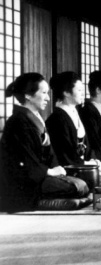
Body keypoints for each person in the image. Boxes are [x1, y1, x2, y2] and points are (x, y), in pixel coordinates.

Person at [0, 73, 90, 212]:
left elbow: (49, 152)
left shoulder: (35, 118)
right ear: (28, 95)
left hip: (40, 176)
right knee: (78, 187)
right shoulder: (18, 122)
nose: (48, 98)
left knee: (82, 185)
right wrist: (50, 171)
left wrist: (57, 170)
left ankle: (56, 198)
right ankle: (40, 201)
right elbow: (26, 160)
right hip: (26, 181)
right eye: (43, 93)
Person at [46, 72, 101, 183]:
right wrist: (85, 163)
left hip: (83, 163)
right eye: (79, 90)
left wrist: (93, 160)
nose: (83, 93)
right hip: (71, 167)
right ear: (66, 92)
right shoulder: (57, 118)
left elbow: (86, 145)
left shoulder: (75, 112)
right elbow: (66, 154)